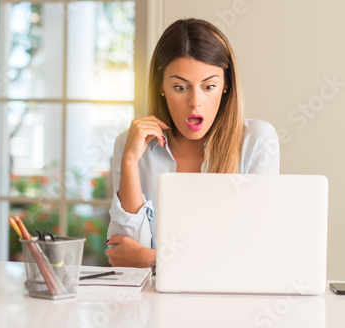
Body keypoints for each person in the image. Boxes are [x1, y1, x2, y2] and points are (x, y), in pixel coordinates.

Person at [105, 18, 280, 268]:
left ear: (226, 85)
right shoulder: (129, 144)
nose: (195, 102)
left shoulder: (257, 140)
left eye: (208, 86)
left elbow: (253, 254)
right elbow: (124, 259)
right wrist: (131, 161)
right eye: (180, 87)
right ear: (161, 86)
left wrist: (152, 259)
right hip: (149, 304)